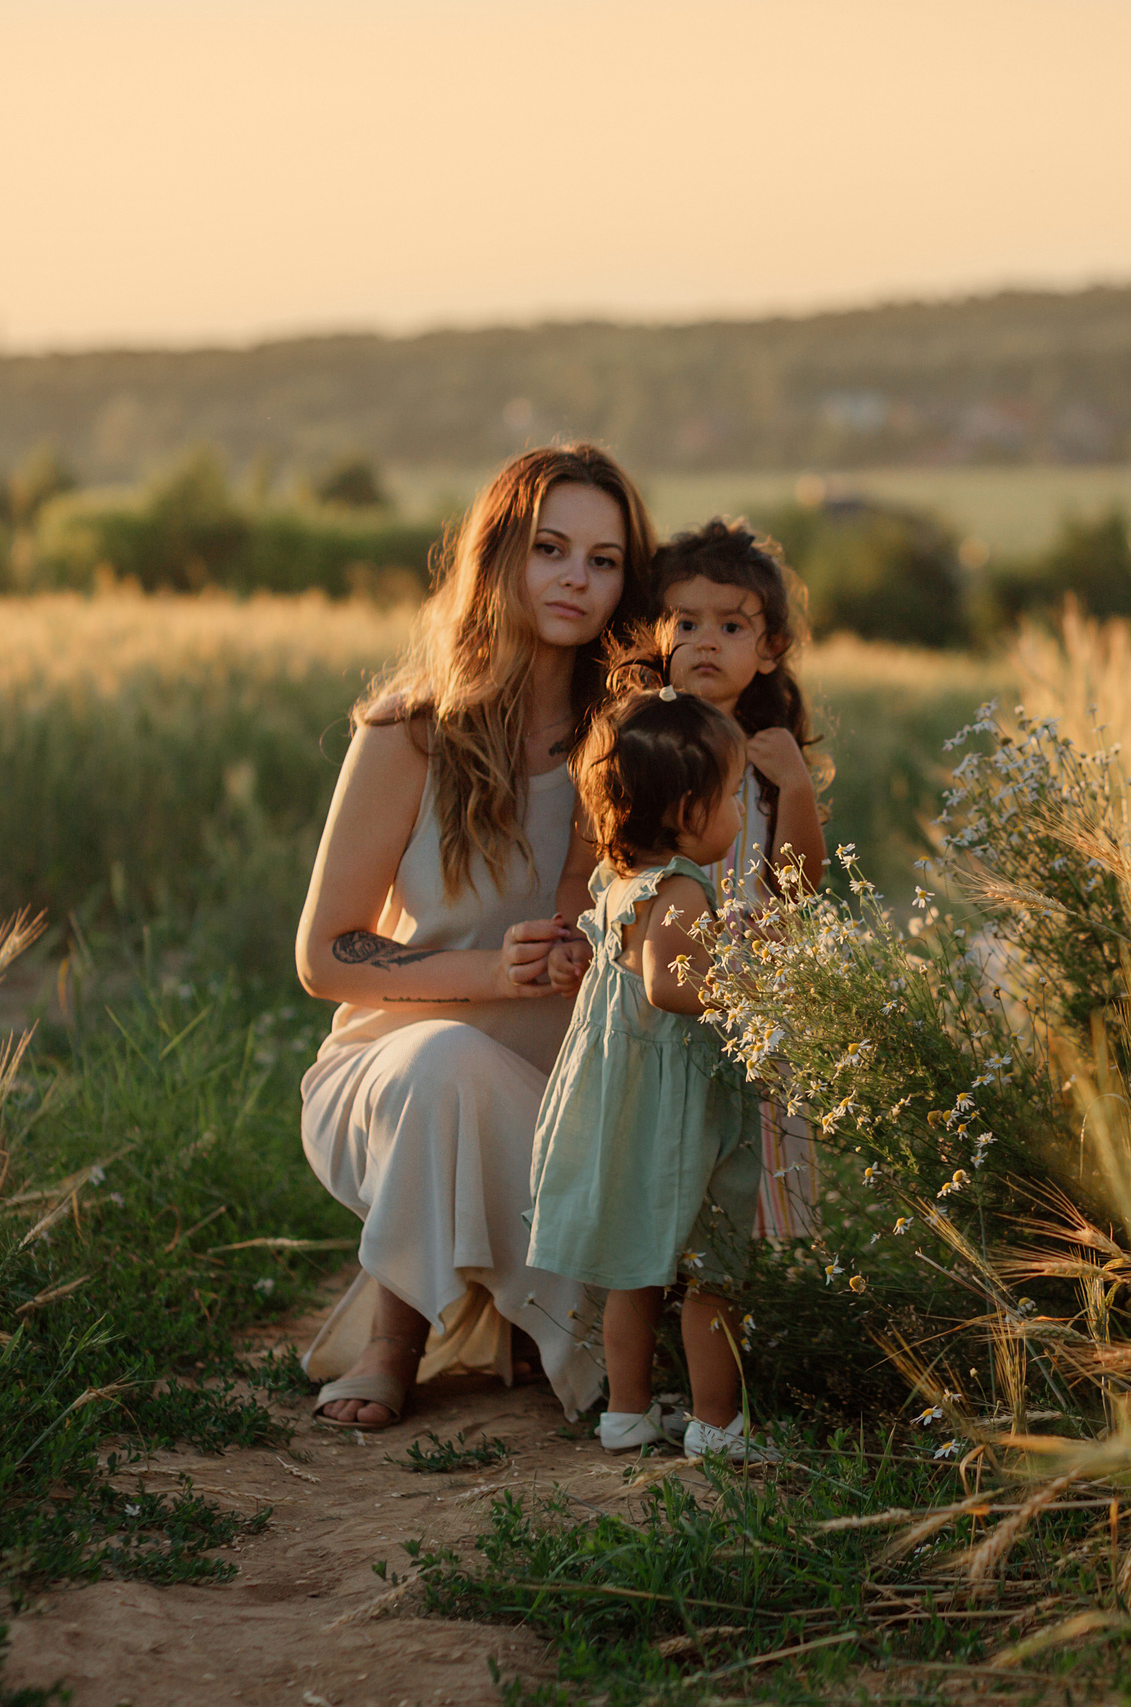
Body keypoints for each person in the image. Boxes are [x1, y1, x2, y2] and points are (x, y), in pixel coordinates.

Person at [294, 445, 655, 1429]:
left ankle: (551, 1322)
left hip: (558, 1075)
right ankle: (392, 1344)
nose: (576, 577)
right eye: (550, 548)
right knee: (448, 1063)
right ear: (499, 558)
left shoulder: (633, 741)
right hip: (391, 1069)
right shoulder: (407, 730)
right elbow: (325, 955)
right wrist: (491, 971)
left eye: (603, 558)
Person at [525, 681, 775, 1463]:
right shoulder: (680, 890)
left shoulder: (620, 880)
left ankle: (627, 1414)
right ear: (690, 813)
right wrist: (745, 992)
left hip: (625, 1108)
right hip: (678, 1120)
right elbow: (671, 985)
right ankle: (716, 1423)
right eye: (732, 798)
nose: (739, 816)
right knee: (710, 1270)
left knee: (634, 1269)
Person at [646, 518, 827, 1238]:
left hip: (756, 989)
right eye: (685, 621)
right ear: (657, 635)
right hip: (668, 992)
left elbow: (798, 887)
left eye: (731, 625)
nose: (706, 640)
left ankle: (760, 1284)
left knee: (758, 1139)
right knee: (674, 1150)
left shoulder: (768, 754)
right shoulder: (646, 740)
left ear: (770, 646)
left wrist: (800, 791)